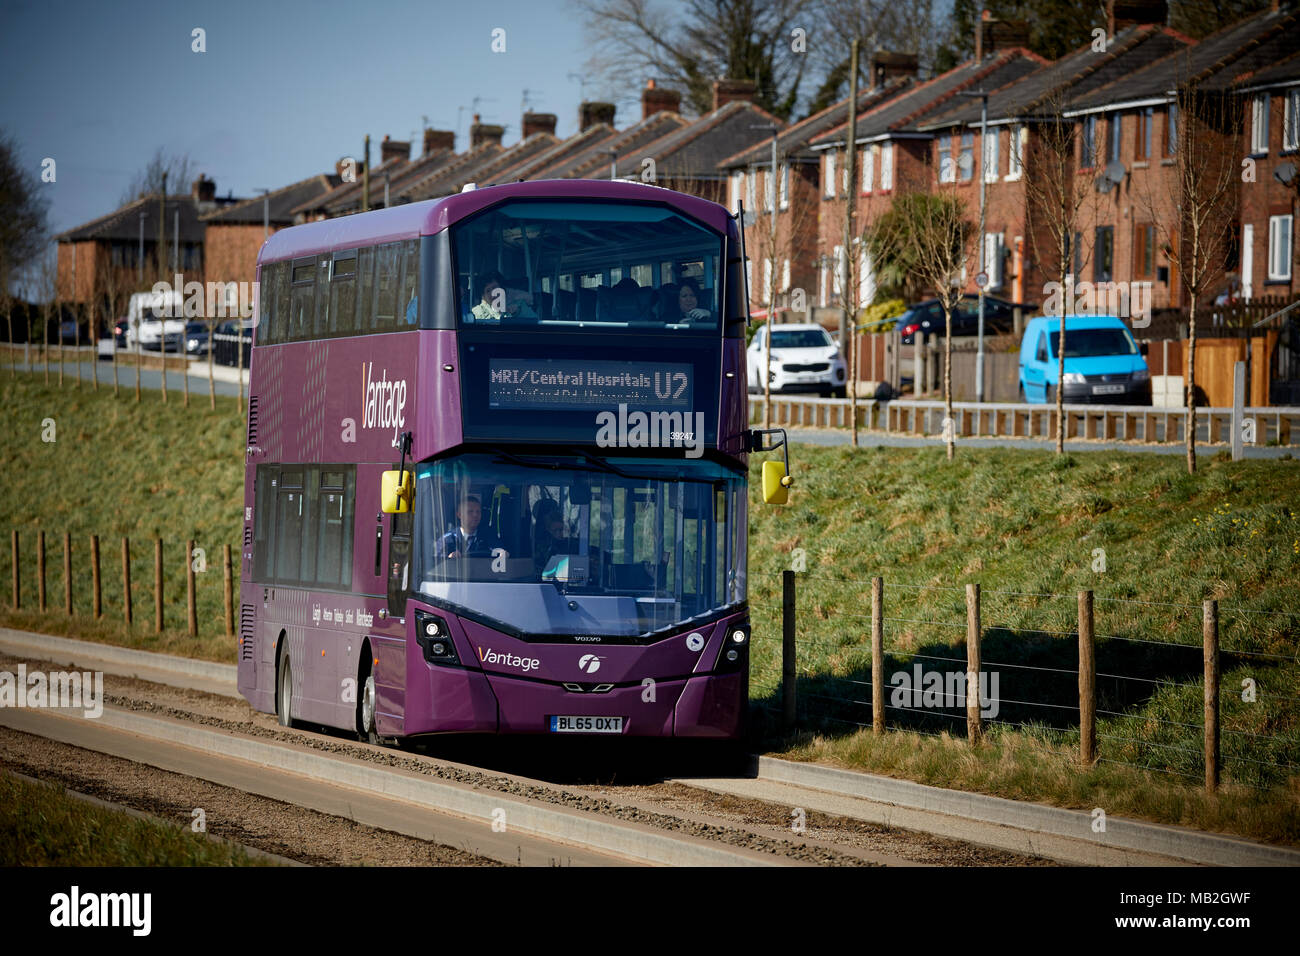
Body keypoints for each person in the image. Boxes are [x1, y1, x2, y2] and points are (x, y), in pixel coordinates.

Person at [437, 494, 508, 559]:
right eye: (470, 511)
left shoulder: (489, 537)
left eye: (478, 512)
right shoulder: (446, 540)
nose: (475, 515)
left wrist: (503, 553)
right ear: (459, 515)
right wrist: (449, 558)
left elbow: (499, 551)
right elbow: (437, 565)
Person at [471, 271, 535, 322]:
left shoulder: (520, 305)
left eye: (495, 287)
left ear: (502, 288)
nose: (493, 293)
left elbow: (534, 322)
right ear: (483, 297)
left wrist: (518, 313)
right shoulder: (477, 312)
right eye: (488, 291)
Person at [533, 501, 576, 574]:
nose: (559, 533)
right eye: (555, 531)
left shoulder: (573, 544)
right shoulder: (542, 548)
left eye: (561, 530)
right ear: (548, 529)